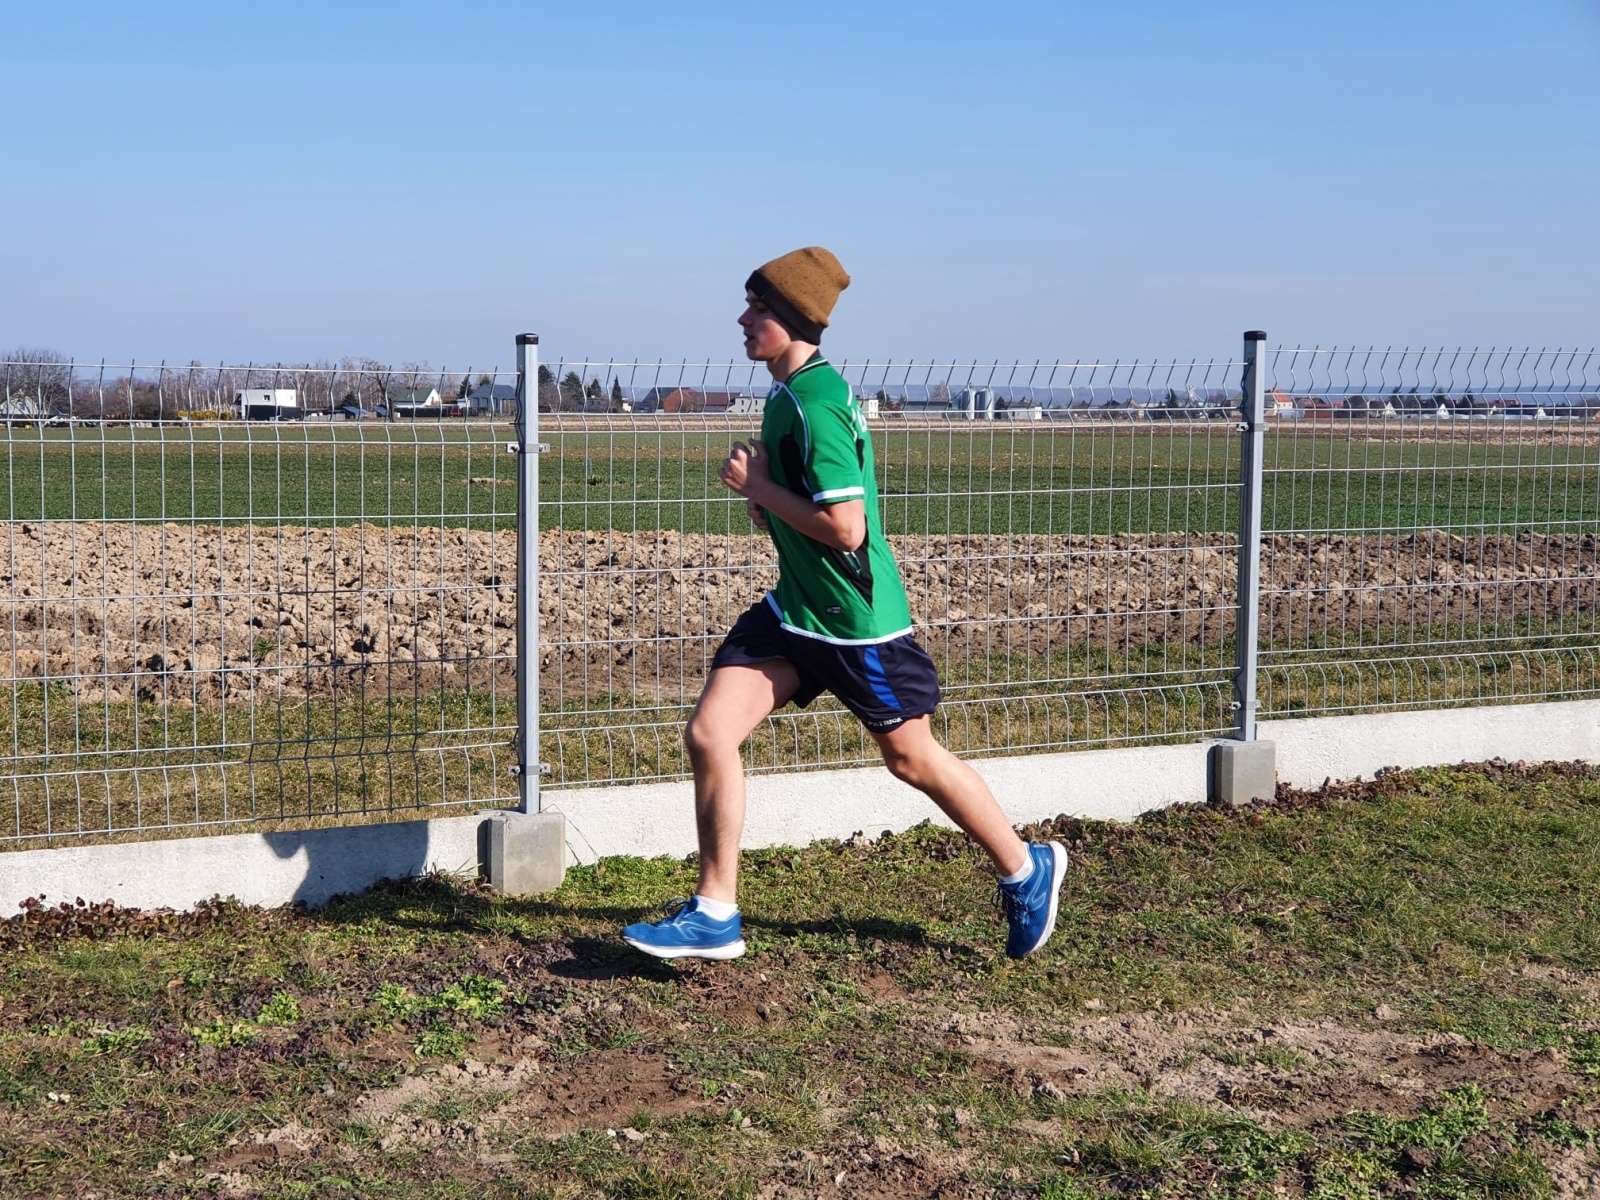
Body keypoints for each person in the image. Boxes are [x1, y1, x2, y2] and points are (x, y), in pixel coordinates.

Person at [622, 247, 1066, 962]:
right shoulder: (784, 397)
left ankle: (1025, 868)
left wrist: (760, 491)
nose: (743, 319)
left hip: (858, 626)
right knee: (710, 733)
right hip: (796, 612)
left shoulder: (817, 406)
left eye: (759, 309)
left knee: (911, 759)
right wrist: (764, 498)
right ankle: (714, 912)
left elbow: (847, 528)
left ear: (794, 320)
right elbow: (799, 520)